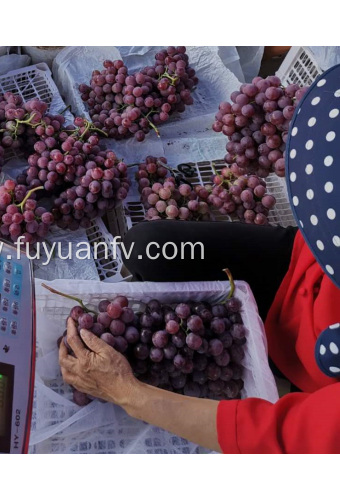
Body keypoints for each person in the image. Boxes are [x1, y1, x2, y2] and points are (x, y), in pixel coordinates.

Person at [59, 65, 340, 453]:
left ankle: (268, 361)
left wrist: (129, 394)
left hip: (307, 371)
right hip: (299, 264)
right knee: (148, 246)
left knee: (178, 360)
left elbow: (284, 437)